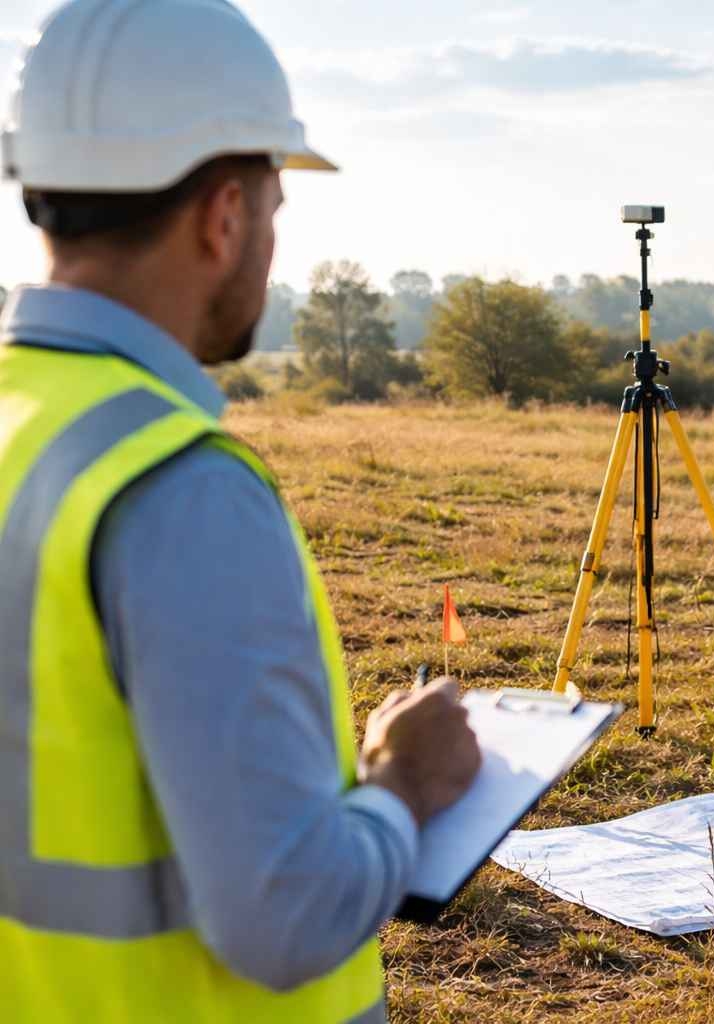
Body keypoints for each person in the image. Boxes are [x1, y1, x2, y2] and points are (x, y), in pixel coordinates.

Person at [0, 1, 481, 1019]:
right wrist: (402, 785)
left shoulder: (22, 426)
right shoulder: (181, 488)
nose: (270, 238)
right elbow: (282, 916)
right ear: (224, 215)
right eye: (273, 207)